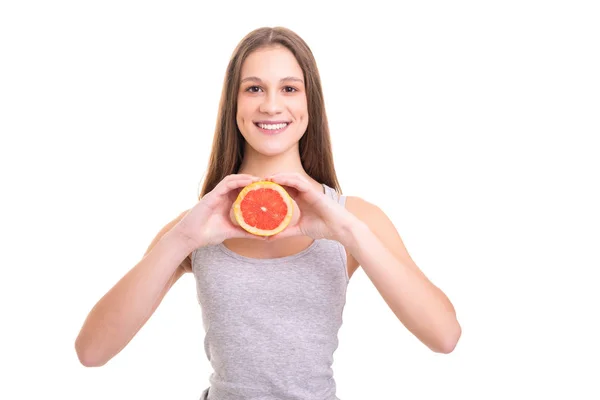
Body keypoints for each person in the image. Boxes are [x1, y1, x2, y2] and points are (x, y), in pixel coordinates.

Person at [75, 26, 461, 399]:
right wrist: (184, 240)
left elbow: (444, 337)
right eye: (254, 88)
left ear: (310, 103)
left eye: (290, 88)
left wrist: (346, 230)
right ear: (234, 103)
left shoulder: (356, 218)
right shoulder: (195, 226)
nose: (272, 105)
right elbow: (92, 352)